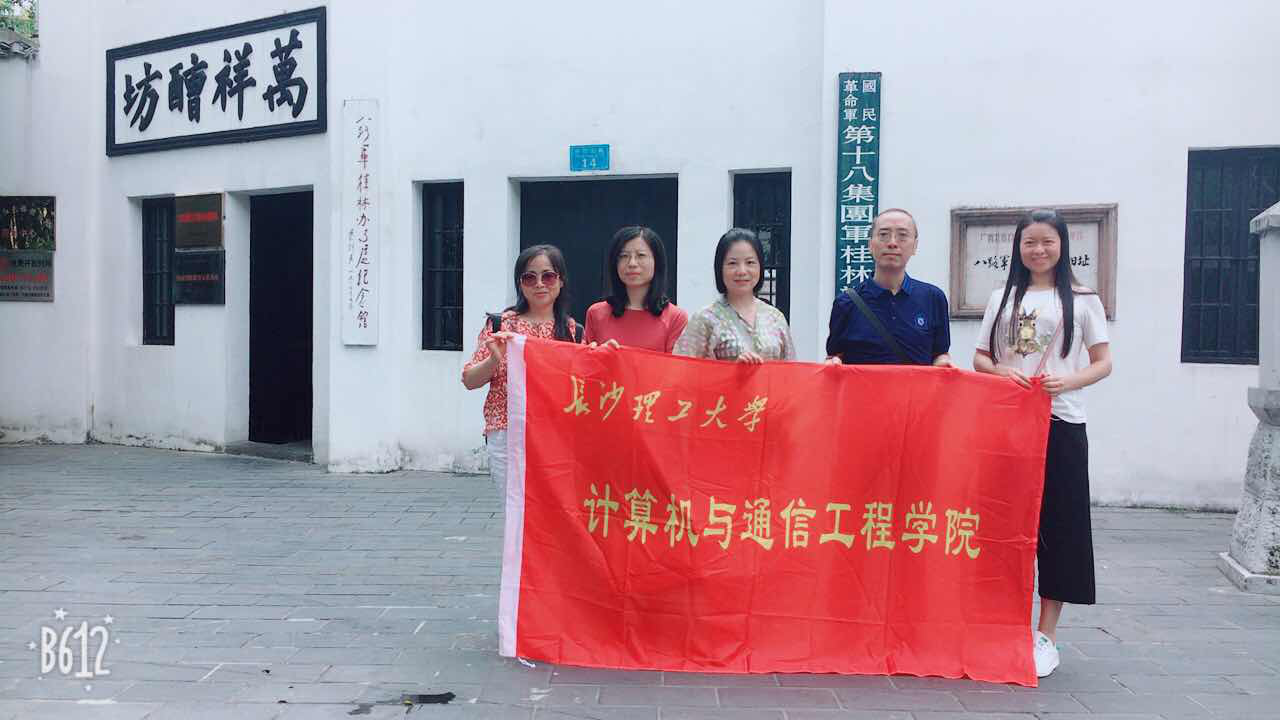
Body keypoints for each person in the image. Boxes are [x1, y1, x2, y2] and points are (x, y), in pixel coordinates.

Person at [972, 209, 1112, 678]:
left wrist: (1068, 382)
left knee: (1059, 528)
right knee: (1003, 525)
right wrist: (999, 371)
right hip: (1007, 424)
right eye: (1029, 242)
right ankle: (1002, 624)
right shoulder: (1002, 297)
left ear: (1062, 245)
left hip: (1061, 423)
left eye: (1047, 241)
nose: (1038, 250)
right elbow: (980, 357)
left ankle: (1045, 634)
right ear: (1018, 247)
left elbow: (1103, 362)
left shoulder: (1083, 299)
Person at [461, 244, 581, 493]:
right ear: (520, 284)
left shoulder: (573, 331)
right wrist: (494, 360)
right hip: (508, 434)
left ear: (561, 281)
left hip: (555, 435)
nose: (539, 284)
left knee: (550, 508)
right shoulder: (501, 325)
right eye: (529, 277)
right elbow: (470, 380)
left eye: (548, 276)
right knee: (515, 507)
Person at [824, 208, 952, 366]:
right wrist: (834, 362)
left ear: (915, 246)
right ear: (870, 244)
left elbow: (940, 353)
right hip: (863, 384)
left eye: (902, 236)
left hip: (917, 384)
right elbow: (835, 356)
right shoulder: (846, 303)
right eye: (884, 235)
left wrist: (944, 363)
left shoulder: (933, 298)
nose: (892, 243)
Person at [673, 228, 795, 363]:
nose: (742, 271)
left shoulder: (775, 318)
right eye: (732, 263)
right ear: (720, 268)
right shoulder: (705, 319)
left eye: (750, 262)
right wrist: (731, 370)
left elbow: (790, 370)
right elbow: (682, 370)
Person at [584, 226, 688, 352]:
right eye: (624, 256)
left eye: (641, 255)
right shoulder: (596, 313)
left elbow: (676, 364)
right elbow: (585, 362)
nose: (632, 263)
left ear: (657, 262)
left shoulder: (675, 318)